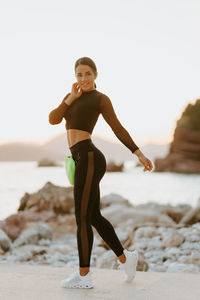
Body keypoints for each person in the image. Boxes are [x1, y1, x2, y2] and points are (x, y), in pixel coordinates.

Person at [49, 57, 153, 289]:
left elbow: (117, 127)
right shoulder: (72, 98)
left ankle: (84, 277)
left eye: (87, 74)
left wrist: (138, 153)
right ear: (75, 77)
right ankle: (126, 258)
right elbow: (53, 119)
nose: (83, 79)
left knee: (81, 217)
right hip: (79, 158)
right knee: (93, 215)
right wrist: (70, 98)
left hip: (89, 156)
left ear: (96, 74)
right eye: (79, 75)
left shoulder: (101, 99)